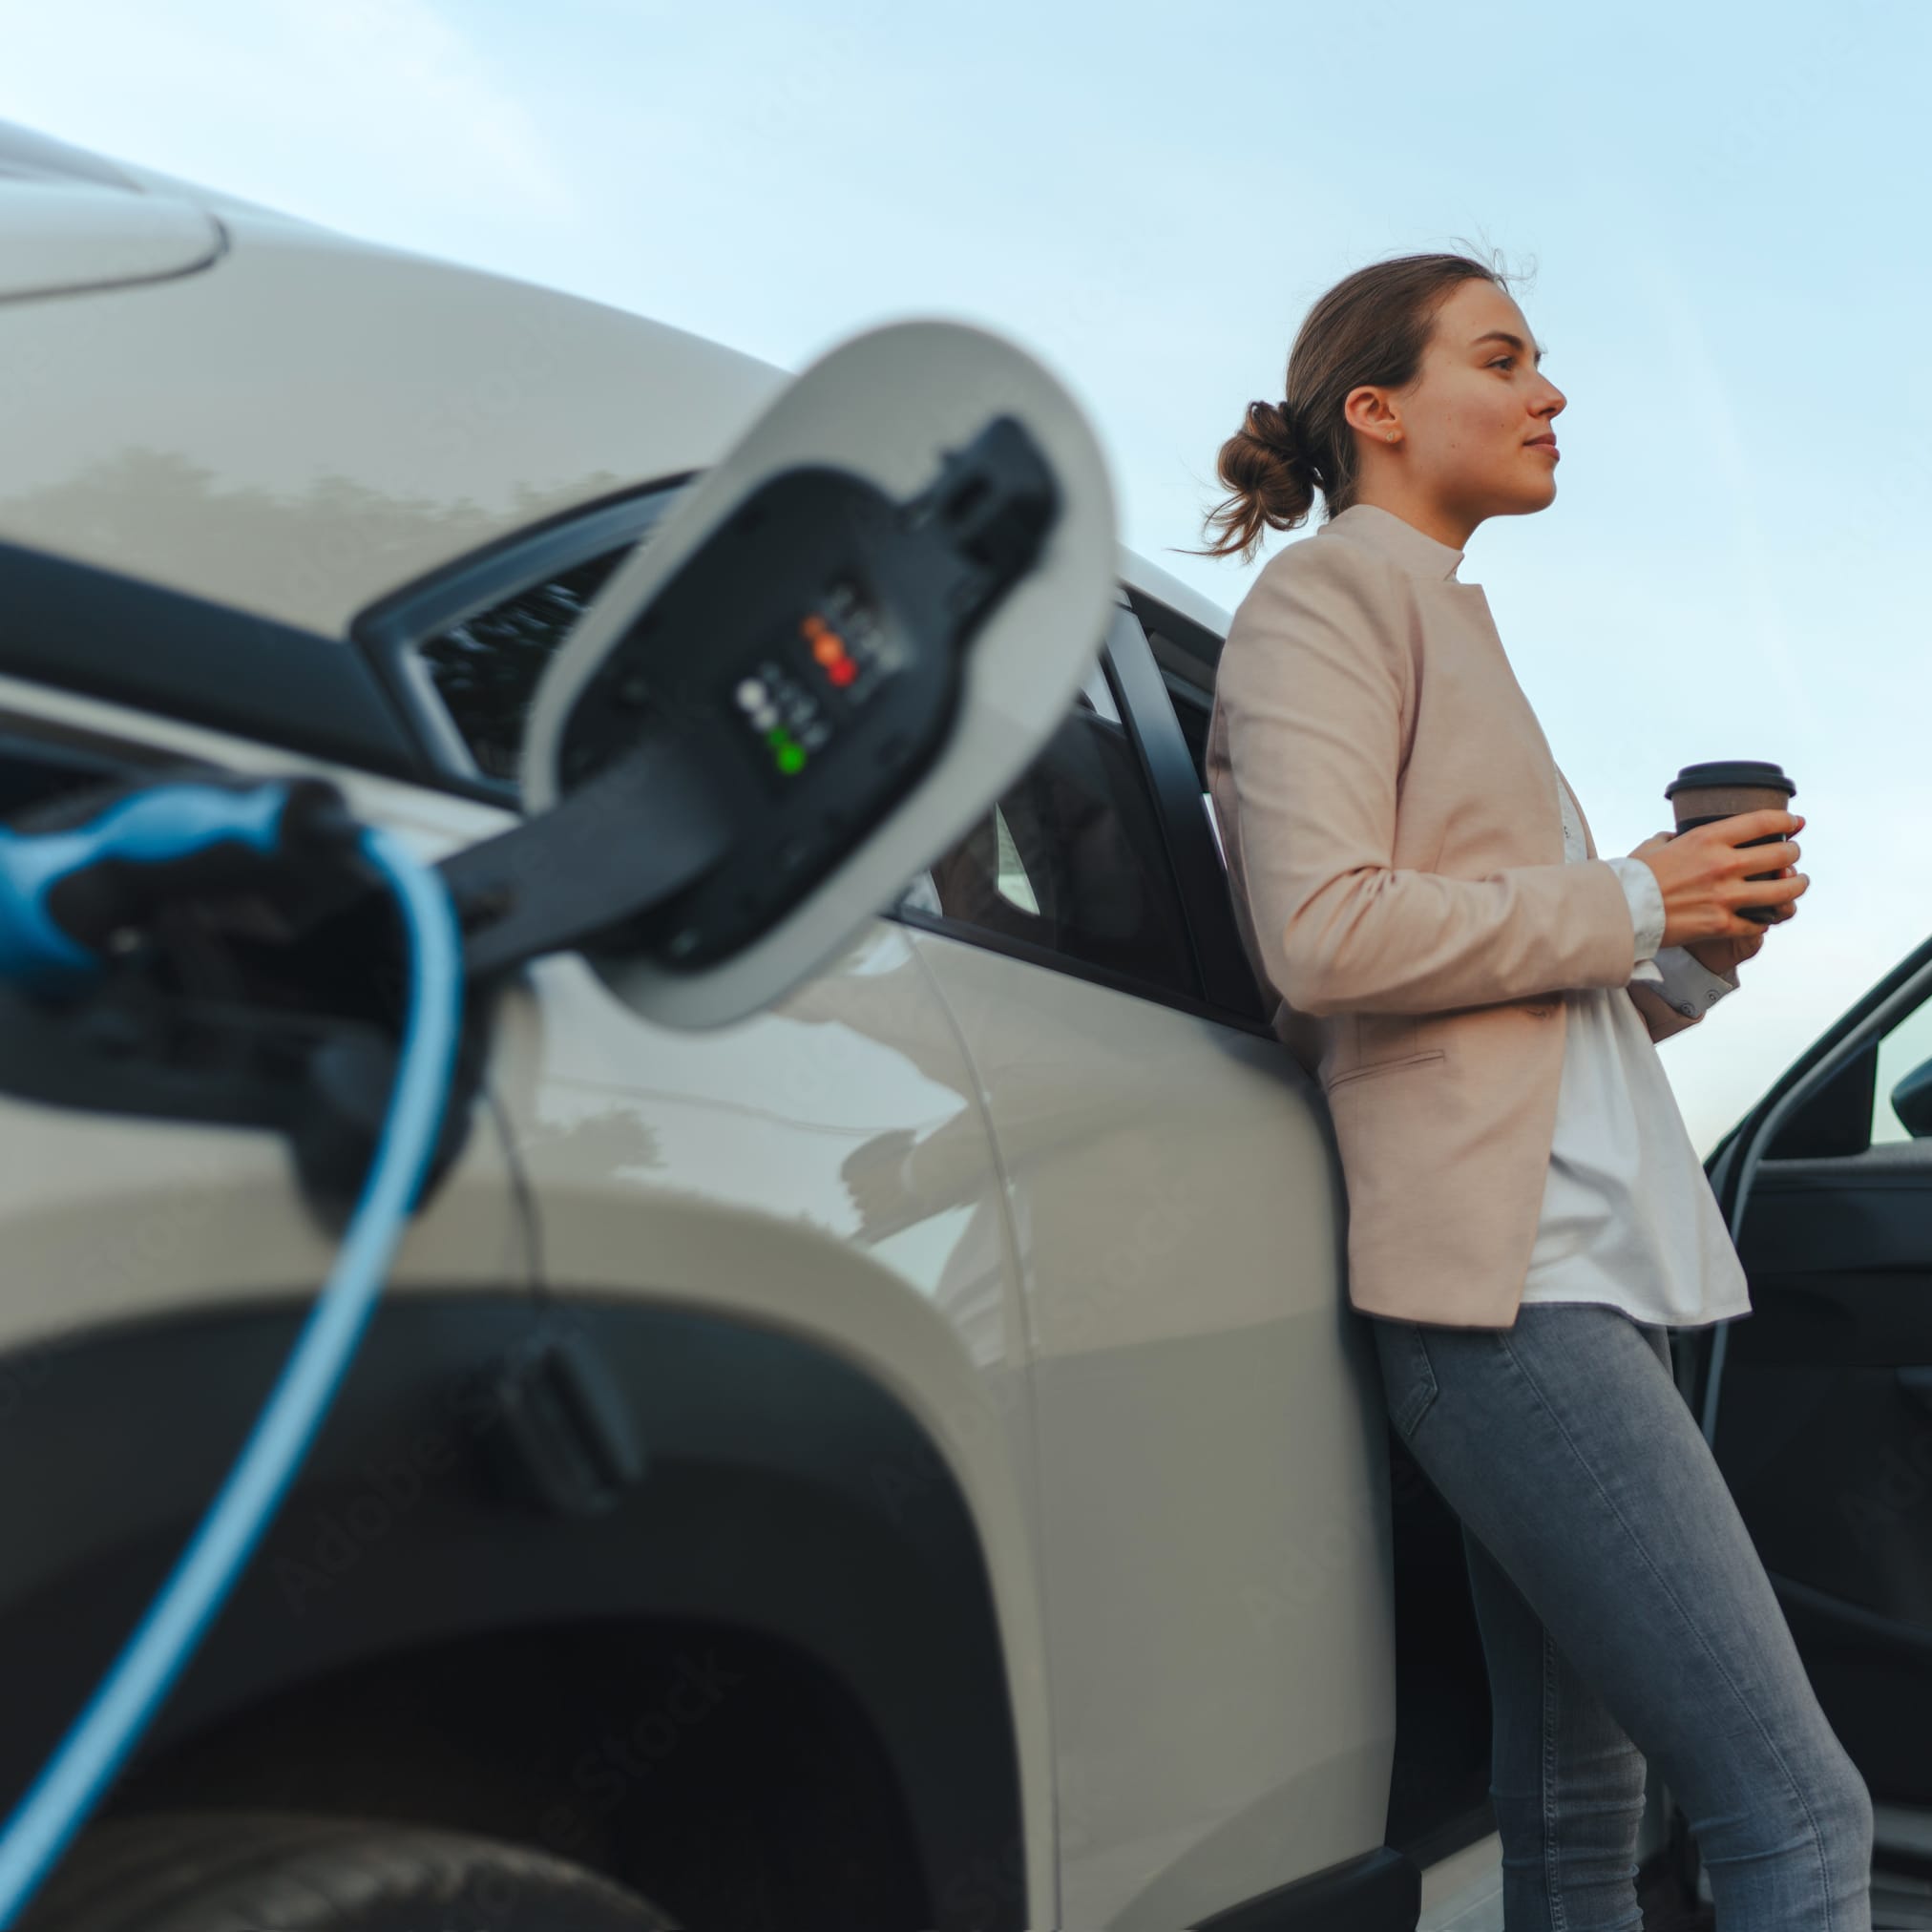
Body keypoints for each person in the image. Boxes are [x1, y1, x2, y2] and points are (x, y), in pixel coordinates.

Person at [1185, 248, 1874, 1930]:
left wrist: (1695, 944)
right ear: (1380, 408)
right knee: (1798, 1807)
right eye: (1502, 358)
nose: (1549, 391)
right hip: (1508, 1295)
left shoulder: (1447, 626)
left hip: (1572, 1277)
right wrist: (1632, 890)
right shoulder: (1331, 598)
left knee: (1578, 1802)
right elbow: (1324, 937)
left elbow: (1532, 999)